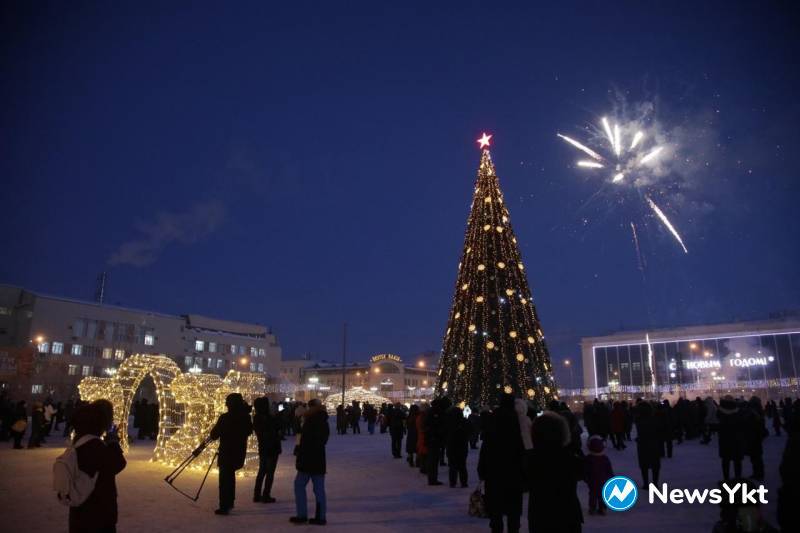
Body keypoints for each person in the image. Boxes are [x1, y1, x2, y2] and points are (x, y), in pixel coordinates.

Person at [69, 399, 127, 533]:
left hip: (80, 510)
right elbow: (118, 464)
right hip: (98, 511)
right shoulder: (95, 446)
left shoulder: (80, 442)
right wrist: (113, 442)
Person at [528, 411, 584, 533]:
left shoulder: (530, 459)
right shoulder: (569, 457)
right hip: (568, 514)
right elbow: (583, 472)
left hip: (540, 516)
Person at [478, 394, 525, 532]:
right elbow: (521, 449)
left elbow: (486, 448)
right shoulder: (517, 420)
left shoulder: (493, 420)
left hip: (494, 472)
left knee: (496, 509)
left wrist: (482, 471)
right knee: (513, 511)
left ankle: (496, 528)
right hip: (513, 472)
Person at [209, 393, 253, 515]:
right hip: (238, 453)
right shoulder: (245, 417)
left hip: (226, 453)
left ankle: (224, 505)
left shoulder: (225, 418)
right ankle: (230, 502)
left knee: (224, 480)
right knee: (230, 477)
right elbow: (249, 431)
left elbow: (214, 434)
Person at [291, 398, 329, 525]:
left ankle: (302, 514)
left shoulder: (310, 420)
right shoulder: (323, 420)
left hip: (308, 459)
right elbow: (322, 440)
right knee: (318, 489)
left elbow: (305, 440)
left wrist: (300, 451)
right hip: (318, 459)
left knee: (299, 485)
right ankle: (321, 516)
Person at [253, 397, 282, 503]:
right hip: (272, 448)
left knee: (261, 471)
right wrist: (277, 416)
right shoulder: (269, 418)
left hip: (263, 447)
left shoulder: (257, 417)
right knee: (270, 472)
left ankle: (257, 494)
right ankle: (266, 495)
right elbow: (277, 428)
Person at [717, 396, 745, 481]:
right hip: (736, 438)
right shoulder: (739, 411)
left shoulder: (720, 412)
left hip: (724, 439)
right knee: (737, 460)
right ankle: (738, 477)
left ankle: (726, 478)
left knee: (725, 460)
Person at [584, 435, 613, 515]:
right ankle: (603, 508)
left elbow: (585, 470)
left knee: (592, 494)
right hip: (603, 480)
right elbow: (609, 469)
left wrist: (585, 478)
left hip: (591, 480)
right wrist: (611, 477)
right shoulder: (605, 458)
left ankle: (592, 508)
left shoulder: (588, 458)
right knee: (602, 495)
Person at [635, 402, 661, 487]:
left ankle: (646, 483)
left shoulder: (638, 419)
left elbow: (640, 432)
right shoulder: (655, 418)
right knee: (655, 465)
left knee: (644, 465)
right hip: (654, 443)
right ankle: (655, 483)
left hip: (643, 444)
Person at [446, 406, 469, 488]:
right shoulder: (464, 421)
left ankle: (452, 482)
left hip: (451, 445)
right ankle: (464, 482)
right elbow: (470, 430)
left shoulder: (449, 422)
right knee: (462, 465)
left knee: (452, 465)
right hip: (462, 445)